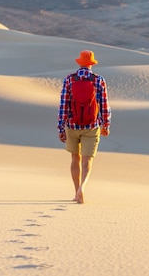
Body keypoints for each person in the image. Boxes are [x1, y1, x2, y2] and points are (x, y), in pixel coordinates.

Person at [57, 50, 111, 204]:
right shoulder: (98, 80)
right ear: (91, 64)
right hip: (92, 126)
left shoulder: (69, 80)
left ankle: (76, 193)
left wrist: (61, 128)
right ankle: (83, 186)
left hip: (72, 125)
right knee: (88, 160)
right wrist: (106, 124)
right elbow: (104, 104)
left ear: (79, 63)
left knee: (75, 158)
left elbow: (63, 105)